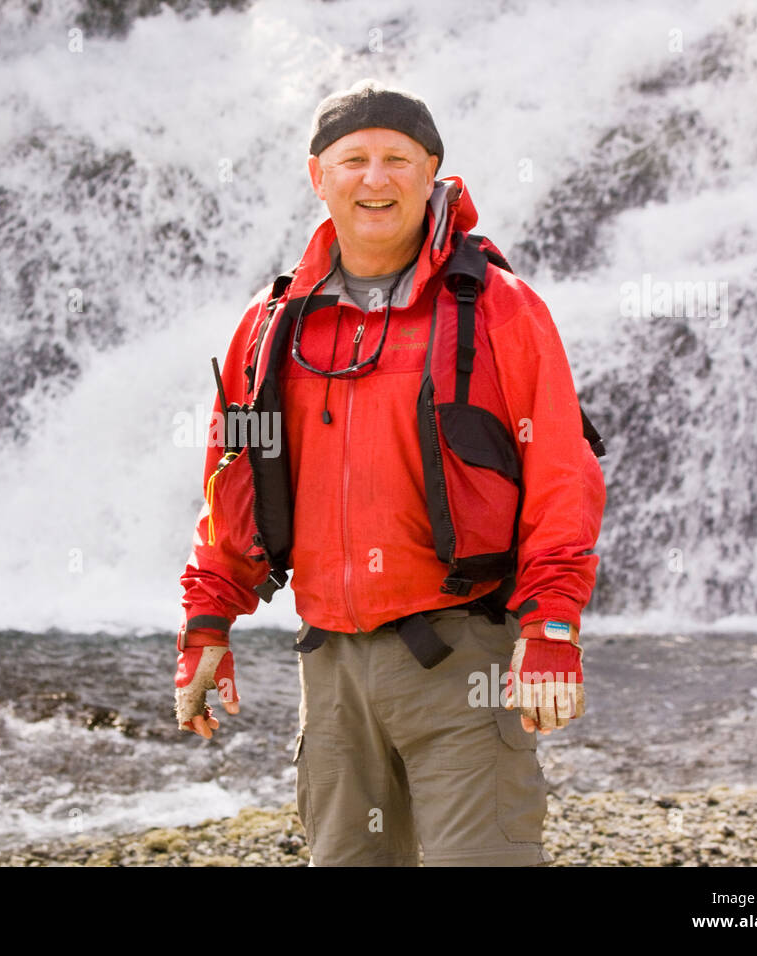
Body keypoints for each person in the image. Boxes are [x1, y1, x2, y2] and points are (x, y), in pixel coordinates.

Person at [173, 79, 606, 866]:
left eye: (397, 159)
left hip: (464, 660)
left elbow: (561, 477)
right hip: (330, 672)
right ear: (319, 176)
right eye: (355, 159)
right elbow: (228, 487)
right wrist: (208, 624)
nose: (376, 178)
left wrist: (551, 629)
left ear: (432, 170)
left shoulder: (500, 310)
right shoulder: (268, 328)